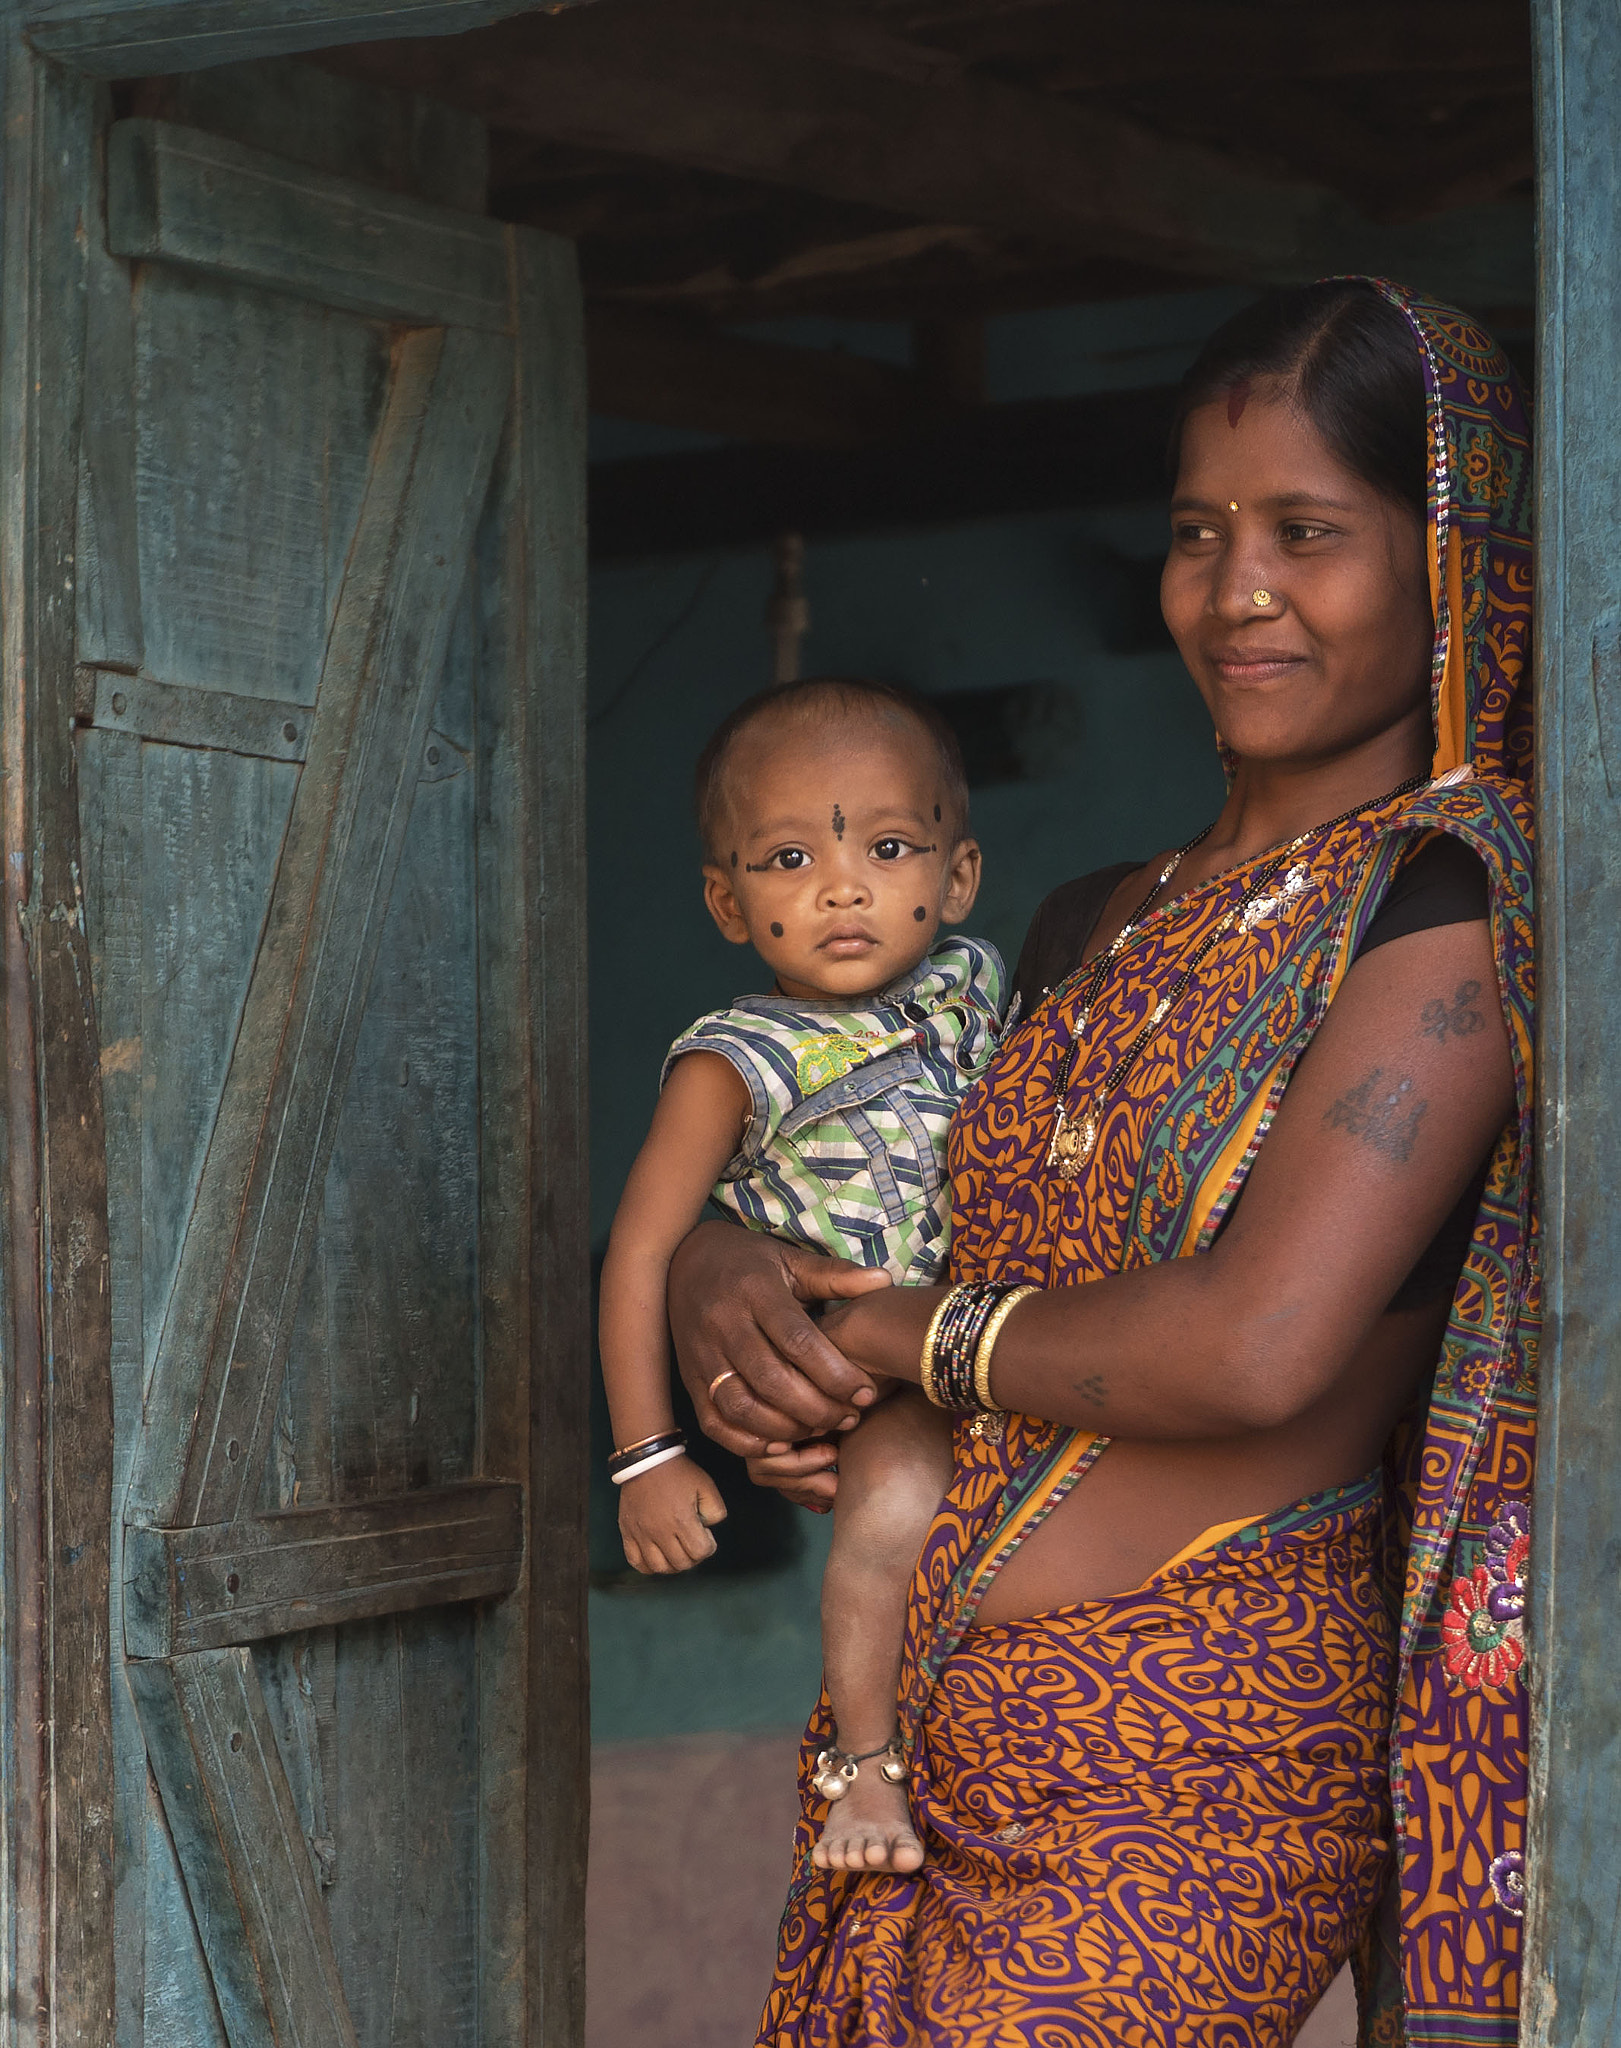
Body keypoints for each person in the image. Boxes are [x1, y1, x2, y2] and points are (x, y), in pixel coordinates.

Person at [668, 279, 1536, 2048]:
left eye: (1309, 532)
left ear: (1440, 553)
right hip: (898, 1751)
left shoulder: (1442, 904)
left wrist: (898, 1335)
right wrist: (722, 1267)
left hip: (1192, 1772)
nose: (1238, 592)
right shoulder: (1084, 919)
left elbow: (1251, 1345)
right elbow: (876, 1187)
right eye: (1199, 533)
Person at [597, 675, 1008, 1871]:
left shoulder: (976, 986)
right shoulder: (733, 1062)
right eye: (786, 858)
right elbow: (641, 1252)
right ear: (727, 901)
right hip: (880, 1377)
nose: (841, 885)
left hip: (1020, 1350)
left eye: (888, 846)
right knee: (887, 1522)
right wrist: (648, 1455)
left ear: (958, 874)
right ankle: (870, 1776)